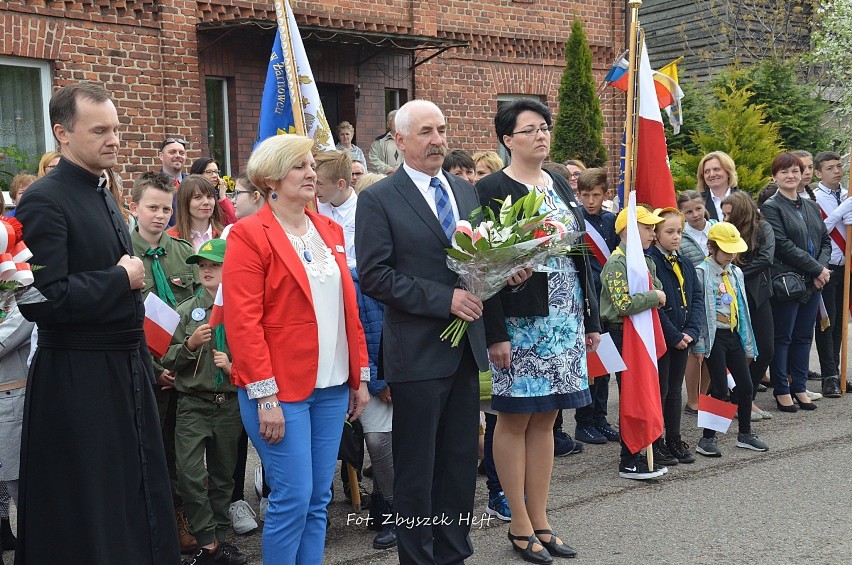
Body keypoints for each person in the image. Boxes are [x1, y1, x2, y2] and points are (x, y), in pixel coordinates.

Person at [356, 99, 529, 564]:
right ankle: (417, 555)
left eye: (442, 130)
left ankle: (454, 552)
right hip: (416, 353)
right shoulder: (378, 199)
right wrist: (442, 300)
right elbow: (375, 276)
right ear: (400, 141)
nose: (437, 139)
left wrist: (503, 282)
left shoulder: (462, 191)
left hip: (465, 351)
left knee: (457, 465)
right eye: (426, 132)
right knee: (418, 467)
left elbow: (479, 265)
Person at [14, 82, 180, 563]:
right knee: (91, 504)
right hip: (78, 377)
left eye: (116, 129)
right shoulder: (45, 199)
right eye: (100, 130)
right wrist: (118, 278)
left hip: (123, 368)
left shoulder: (104, 189)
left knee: (132, 494)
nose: (114, 139)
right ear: (62, 134)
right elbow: (39, 298)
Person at [223, 133, 370, 564]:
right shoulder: (248, 235)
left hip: (332, 386)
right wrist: (264, 395)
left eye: (312, 165)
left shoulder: (329, 228)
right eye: (300, 166)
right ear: (271, 178)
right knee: (292, 496)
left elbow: (349, 310)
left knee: (318, 497)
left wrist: (358, 377)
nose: (312, 173)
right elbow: (243, 322)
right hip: (280, 392)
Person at [477, 98, 600, 563]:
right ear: (508, 139)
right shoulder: (491, 188)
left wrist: (589, 320)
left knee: (548, 418)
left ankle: (542, 517)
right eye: (529, 129)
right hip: (520, 323)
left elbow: (580, 254)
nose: (541, 135)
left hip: (564, 319)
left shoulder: (560, 184)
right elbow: (482, 267)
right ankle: (518, 523)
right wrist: (496, 333)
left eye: (545, 127)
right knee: (514, 418)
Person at [163, 238, 248, 564]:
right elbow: (166, 359)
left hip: (228, 404)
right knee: (189, 474)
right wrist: (190, 345)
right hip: (192, 404)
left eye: (215, 264)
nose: (208, 270)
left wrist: (234, 367)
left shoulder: (243, 308)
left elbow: (259, 357)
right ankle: (206, 539)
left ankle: (220, 540)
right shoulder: (186, 311)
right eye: (203, 265)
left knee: (224, 476)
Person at [130, 171, 202, 550]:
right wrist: (155, 370)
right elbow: (125, 321)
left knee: (182, 451)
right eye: (152, 208)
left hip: (185, 368)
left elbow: (195, 312)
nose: (160, 215)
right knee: (147, 447)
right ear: (134, 208)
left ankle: (181, 516)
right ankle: (145, 524)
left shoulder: (182, 252)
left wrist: (185, 362)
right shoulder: (122, 254)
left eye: (166, 209)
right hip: (144, 371)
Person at [601, 206, 668, 480]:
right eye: (647, 228)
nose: (653, 233)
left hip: (639, 334)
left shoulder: (645, 261)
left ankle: (646, 447)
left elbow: (658, 288)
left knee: (644, 391)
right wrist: (654, 297)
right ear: (628, 230)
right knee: (631, 395)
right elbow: (624, 303)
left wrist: (655, 295)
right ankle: (628, 458)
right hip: (619, 335)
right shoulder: (617, 263)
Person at [761, 152, 831, 412]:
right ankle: (781, 389)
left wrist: (821, 269)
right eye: (784, 172)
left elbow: (825, 240)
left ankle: (799, 386)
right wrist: (816, 268)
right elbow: (782, 245)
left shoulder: (811, 205)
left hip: (814, 282)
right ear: (774, 176)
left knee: (804, 337)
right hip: (788, 283)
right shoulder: (771, 207)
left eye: (795, 171)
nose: (790, 176)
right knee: (784, 338)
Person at [693, 222, 768, 455]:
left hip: (733, 335)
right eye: (725, 250)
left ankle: (744, 434)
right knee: (719, 389)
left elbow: (742, 306)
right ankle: (707, 439)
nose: (731, 255)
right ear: (711, 247)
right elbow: (697, 309)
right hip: (715, 338)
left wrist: (747, 339)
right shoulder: (702, 272)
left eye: (733, 250)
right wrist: (699, 344)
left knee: (745, 386)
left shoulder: (736, 272)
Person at [646, 207, 703, 465]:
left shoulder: (685, 262)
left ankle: (674, 438)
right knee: (661, 389)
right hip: (664, 337)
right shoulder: (652, 262)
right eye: (669, 232)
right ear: (656, 234)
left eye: (679, 231)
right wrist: (673, 334)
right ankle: (656, 441)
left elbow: (697, 297)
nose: (676, 236)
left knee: (674, 392)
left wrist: (691, 331)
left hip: (683, 336)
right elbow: (655, 306)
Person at [572, 168, 620, 448]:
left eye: (596, 195)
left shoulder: (611, 221)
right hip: (586, 299)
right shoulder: (576, 221)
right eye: (585, 195)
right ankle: (584, 421)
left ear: (605, 194)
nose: (591, 200)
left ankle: (601, 418)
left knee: (605, 366)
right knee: (590, 366)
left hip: (608, 300)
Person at [721, 192, 776, 419]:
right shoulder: (727, 231)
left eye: (728, 214)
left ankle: (746, 397)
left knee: (765, 350)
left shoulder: (763, 228)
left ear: (741, 211)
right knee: (737, 351)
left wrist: (737, 274)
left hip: (757, 295)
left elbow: (766, 259)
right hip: (732, 297)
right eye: (723, 214)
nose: (724, 218)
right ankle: (739, 400)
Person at [811, 151, 847, 397]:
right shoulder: (814, 198)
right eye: (830, 168)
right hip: (827, 266)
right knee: (827, 321)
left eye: (839, 166)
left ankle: (838, 371)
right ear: (818, 173)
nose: (837, 171)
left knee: (841, 323)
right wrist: (840, 211)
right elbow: (817, 230)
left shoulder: (848, 194)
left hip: (848, 265)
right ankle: (829, 376)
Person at [676, 189, 714, 413]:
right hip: (694, 298)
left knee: (712, 349)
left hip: (718, 296)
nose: (695, 215)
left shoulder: (716, 228)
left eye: (698, 209)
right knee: (695, 349)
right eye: (688, 211)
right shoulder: (682, 236)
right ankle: (692, 398)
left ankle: (704, 393)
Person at [167, 174, 226, 250]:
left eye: (209, 196)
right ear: (184, 202)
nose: (206, 202)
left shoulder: (224, 236)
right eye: (198, 197)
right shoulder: (170, 238)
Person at [189, 157, 238, 226]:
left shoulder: (218, 196)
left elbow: (233, 221)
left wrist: (223, 197)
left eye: (216, 172)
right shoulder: (190, 194)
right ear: (198, 174)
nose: (215, 176)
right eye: (209, 172)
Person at [696, 151, 739, 221]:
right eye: (707, 171)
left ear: (728, 172)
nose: (712, 174)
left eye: (716, 169)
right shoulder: (697, 202)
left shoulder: (744, 200)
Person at [158, 137, 188, 227]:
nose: (178, 155)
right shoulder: (153, 184)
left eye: (181, 153)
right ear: (161, 156)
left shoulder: (193, 183)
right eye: (172, 152)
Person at [368, 110, 403, 174]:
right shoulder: (379, 142)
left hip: (404, 177)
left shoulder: (409, 141)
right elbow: (373, 159)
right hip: (384, 178)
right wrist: (389, 169)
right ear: (388, 124)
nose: (397, 123)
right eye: (394, 121)